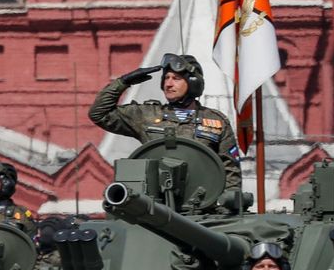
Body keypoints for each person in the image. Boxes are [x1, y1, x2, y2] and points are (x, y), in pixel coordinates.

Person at [90, 53, 242, 192]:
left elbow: (230, 168)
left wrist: (228, 201)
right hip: (155, 202)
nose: (168, 84)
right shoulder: (147, 115)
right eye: (166, 78)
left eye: (176, 79)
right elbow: (99, 114)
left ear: (193, 83)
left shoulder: (216, 121)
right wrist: (123, 82)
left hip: (202, 202)